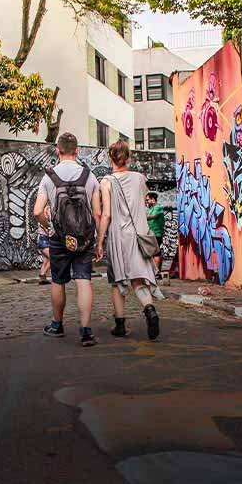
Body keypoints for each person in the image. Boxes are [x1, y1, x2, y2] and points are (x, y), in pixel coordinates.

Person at [34, 133, 102, 347]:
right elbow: (97, 213)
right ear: (77, 150)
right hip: (84, 238)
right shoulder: (89, 176)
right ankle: (86, 331)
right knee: (83, 280)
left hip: (59, 238)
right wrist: (99, 240)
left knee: (58, 280)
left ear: (58, 150)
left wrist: (49, 227)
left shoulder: (48, 177)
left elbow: (37, 211)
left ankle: (57, 325)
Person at [96, 140, 164, 340]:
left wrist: (100, 241)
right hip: (139, 235)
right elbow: (140, 204)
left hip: (119, 236)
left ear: (111, 158)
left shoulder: (106, 182)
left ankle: (120, 325)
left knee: (118, 281)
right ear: (129, 157)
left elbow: (107, 215)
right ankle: (149, 309)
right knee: (139, 279)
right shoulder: (140, 179)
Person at [145, 192, 166, 275]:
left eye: (148, 200)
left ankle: (156, 273)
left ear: (153, 200)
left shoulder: (158, 207)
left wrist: (141, 217)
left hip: (156, 234)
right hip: (150, 234)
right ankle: (153, 272)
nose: (146, 202)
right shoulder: (151, 209)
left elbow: (153, 216)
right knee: (151, 253)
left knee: (156, 253)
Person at [37, 206, 51, 284]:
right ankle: (42, 274)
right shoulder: (43, 220)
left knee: (46, 260)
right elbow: (48, 231)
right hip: (43, 240)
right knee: (53, 258)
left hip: (45, 240)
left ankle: (42, 279)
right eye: (48, 211)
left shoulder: (46, 220)